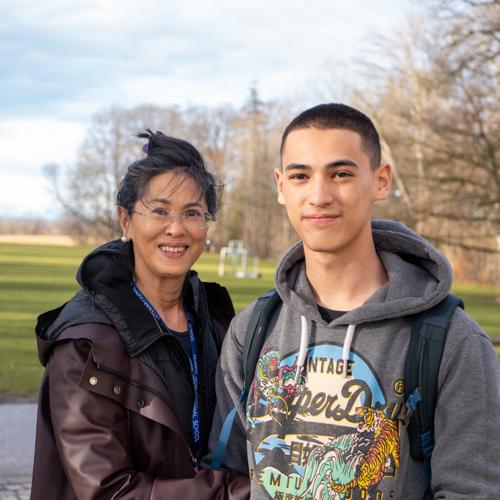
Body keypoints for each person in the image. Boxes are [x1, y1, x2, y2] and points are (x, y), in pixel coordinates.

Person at [206, 104, 500, 499]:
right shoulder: (252, 331)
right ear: (280, 186)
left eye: (340, 174)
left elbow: (473, 491)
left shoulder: (451, 340)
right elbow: (227, 478)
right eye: (300, 176)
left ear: (381, 181)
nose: (319, 196)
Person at [31, 130, 249, 499]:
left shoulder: (218, 321)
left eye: (192, 213)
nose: (176, 228)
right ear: (125, 220)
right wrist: (241, 493)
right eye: (160, 211)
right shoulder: (85, 343)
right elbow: (109, 490)